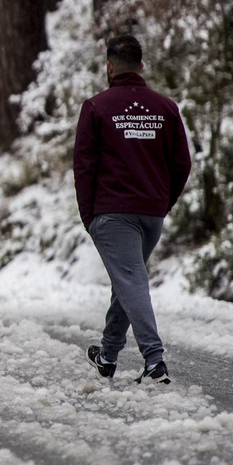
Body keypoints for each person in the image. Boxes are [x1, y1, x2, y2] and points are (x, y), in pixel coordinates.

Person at [73, 34, 192, 384]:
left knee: (130, 281)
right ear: (141, 66)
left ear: (109, 67)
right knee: (126, 282)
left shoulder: (96, 107)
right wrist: (162, 203)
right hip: (151, 214)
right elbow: (181, 164)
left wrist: (89, 217)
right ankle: (108, 356)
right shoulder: (166, 108)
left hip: (112, 213)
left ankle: (154, 361)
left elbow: (84, 166)